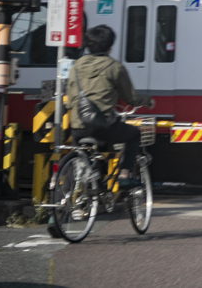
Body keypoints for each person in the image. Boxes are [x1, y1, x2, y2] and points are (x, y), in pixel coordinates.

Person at [65, 25, 154, 189]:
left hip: (78, 128)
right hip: (102, 128)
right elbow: (131, 98)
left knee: (91, 156)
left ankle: (87, 192)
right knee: (133, 134)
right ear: (110, 47)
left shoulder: (75, 67)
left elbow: (70, 101)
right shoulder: (114, 67)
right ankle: (124, 175)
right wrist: (147, 101)